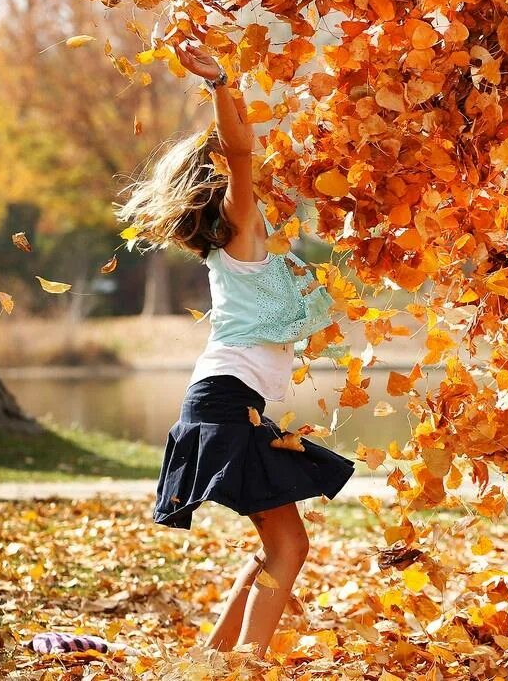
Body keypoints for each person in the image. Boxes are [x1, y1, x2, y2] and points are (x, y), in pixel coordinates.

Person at [117, 42, 354, 654]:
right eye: (247, 180)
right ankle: (245, 666)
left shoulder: (255, 254)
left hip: (235, 406)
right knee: (290, 546)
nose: (262, 184)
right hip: (227, 404)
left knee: (275, 544)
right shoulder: (240, 233)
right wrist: (223, 82)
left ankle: (212, 660)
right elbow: (242, 151)